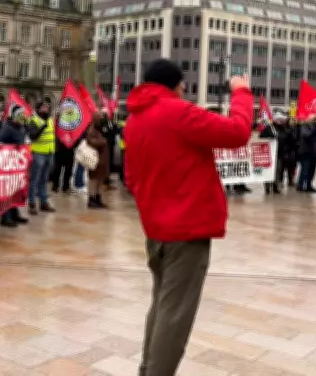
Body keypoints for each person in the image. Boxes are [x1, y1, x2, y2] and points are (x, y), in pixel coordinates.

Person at [124, 59, 253, 376]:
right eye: (183, 85)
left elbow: (130, 177)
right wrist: (242, 93)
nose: (185, 90)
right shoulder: (176, 112)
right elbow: (237, 132)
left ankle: (148, 368)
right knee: (176, 313)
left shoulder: (135, 119)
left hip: (156, 229)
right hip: (185, 229)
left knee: (162, 305)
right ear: (176, 85)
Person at [0, 106, 30, 227]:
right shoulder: (7, 128)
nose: (23, 117)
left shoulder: (21, 128)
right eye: (21, 115)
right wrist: (11, 148)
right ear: (15, 116)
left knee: (16, 191)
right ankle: (5, 217)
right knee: (7, 192)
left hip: (18, 166)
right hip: (8, 165)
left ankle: (15, 214)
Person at [27, 102, 56, 214]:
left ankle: (44, 202)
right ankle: (32, 203)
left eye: (47, 107)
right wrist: (42, 127)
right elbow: (33, 136)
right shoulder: (33, 120)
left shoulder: (50, 120)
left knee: (44, 179)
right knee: (34, 179)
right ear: (38, 109)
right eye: (43, 107)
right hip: (38, 153)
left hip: (49, 152)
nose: (45, 109)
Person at [85, 111, 110, 209]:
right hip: (95, 160)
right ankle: (92, 199)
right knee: (94, 180)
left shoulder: (100, 130)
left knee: (99, 181)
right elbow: (91, 141)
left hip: (101, 160)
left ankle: (98, 199)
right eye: (100, 118)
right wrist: (102, 142)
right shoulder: (92, 130)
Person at [296, 115, 316, 193]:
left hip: (314, 152)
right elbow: (306, 135)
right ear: (308, 119)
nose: (314, 121)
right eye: (313, 119)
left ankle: (309, 185)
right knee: (305, 170)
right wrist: (314, 129)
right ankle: (300, 185)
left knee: (312, 170)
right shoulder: (304, 126)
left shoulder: (315, 127)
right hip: (305, 152)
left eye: (315, 119)